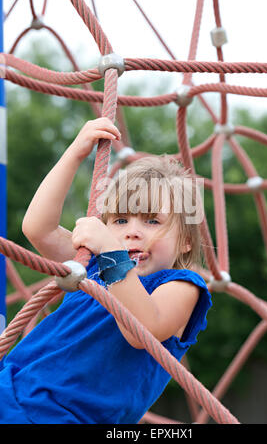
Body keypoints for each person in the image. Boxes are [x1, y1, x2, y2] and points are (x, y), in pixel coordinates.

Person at [0, 117, 212, 424]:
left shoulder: (183, 285)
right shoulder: (92, 270)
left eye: (152, 221)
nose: (132, 233)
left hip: (63, 417)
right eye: (121, 221)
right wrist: (75, 153)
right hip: (10, 392)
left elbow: (143, 330)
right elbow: (39, 230)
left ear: (186, 242)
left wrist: (112, 252)